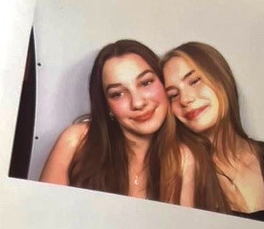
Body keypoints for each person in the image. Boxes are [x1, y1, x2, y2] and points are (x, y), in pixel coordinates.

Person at [39, 40, 195, 206]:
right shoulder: (76, 141)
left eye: (146, 83)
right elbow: (40, 215)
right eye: (118, 94)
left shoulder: (183, 159)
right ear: (107, 106)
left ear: (164, 84)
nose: (137, 103)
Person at [162, 42, 264, 225]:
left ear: (221, 77)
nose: (185, 99)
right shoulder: (179, 164)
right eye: (173, 95)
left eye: (195, 81)